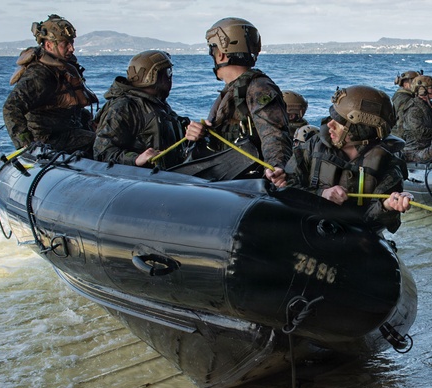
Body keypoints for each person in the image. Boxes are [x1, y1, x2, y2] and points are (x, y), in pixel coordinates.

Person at [284, 85, 412, 233]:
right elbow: (286, 187)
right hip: (307, 228)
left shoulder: (388, 163)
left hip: (354, 237)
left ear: (360, 130)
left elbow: (371, 223)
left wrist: (386, 206)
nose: (330, 124)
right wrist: (321, 194)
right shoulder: (314, 145)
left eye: (339, 121)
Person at [184, 17, 292, 183]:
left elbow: (274, 134)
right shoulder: (231, 92)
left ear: (221, 54)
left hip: (246, 183)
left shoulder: (259, 87)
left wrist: (276, 166)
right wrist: (198, 134)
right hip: (227, 178)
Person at [3, 14, 97, 154]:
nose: (72, 49)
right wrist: (27, 145)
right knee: (103, 143)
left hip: (67, 129)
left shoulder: (62, 68)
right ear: (49, 45)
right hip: (49, 139)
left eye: (72, 43)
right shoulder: (39, 75)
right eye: (65, 44)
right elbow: (11, 107)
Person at [93, 50, 188, 168]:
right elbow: (102, 152)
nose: (170, 77)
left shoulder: (158, 104)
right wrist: (136, 159)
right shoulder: (124, 107)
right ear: (153, 76)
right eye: (167, 72)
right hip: (143, 175)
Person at [399, 75, 432, 162]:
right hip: (415, 151)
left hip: (428, 145)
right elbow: (418, 132)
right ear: (422, 90)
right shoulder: (414, 109)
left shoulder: (430, 105)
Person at [390, 70, 421, 138]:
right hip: (398, 136)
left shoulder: (399, 95)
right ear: (405, 84)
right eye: (414, 82)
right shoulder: (406, 99)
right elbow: (401, 123)